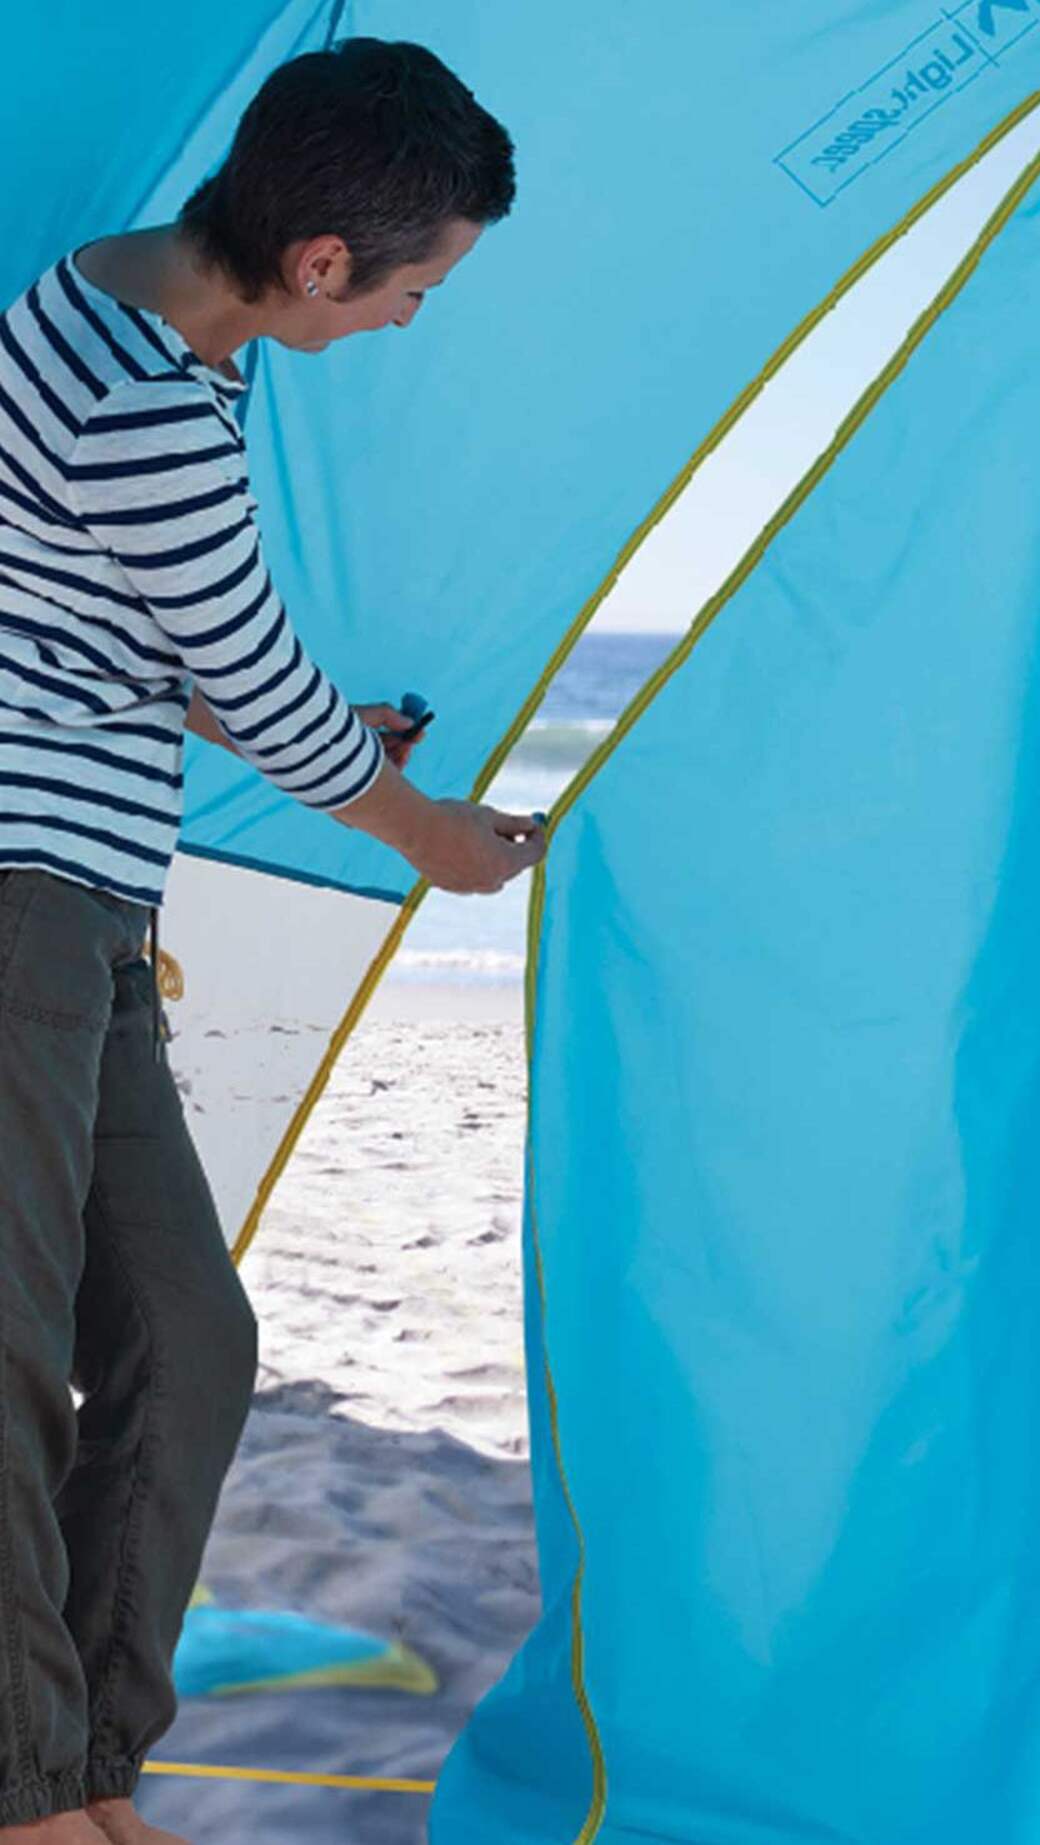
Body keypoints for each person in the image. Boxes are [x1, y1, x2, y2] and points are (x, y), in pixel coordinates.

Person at [0, 38, 540, 1844]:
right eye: (411, 288)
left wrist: (287, 713)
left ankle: (82, 1772)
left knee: (186, 1333)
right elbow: (243, 666)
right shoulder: (148, 404)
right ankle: (25, 1793)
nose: (404, 319)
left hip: (84, 894)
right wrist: (431, 834)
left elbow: (129, 622)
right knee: (13, 1347)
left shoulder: (132, 307)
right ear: (320, 260)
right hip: (18, 889)